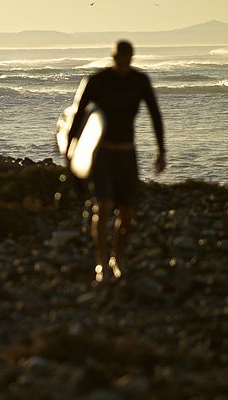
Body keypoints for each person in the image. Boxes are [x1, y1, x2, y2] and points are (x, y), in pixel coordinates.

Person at [66, 40, 166, 284]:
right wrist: (70, 151)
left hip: (128, 154)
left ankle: (117, 259)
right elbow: (78, 115)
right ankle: (101, 262)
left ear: (131, 58)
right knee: (103, 206)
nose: (122, 64)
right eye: (118, 59)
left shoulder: (139, 81)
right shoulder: (97, 81)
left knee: (127, 212)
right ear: (113, 57)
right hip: (103, 155)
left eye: (126, 60)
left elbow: (155, 114)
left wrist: (162, 150)